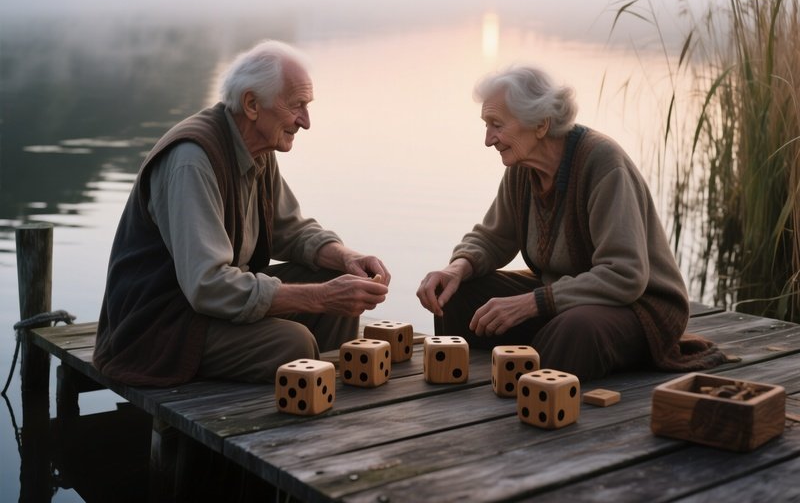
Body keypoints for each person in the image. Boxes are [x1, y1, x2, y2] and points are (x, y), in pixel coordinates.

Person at [93, 39, 390, 386]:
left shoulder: (258, 148)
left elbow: (290, 231)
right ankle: (275, 421)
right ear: (251, 104)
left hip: (204, 311)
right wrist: (321, 297)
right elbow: (208, 286)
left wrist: (347, 259)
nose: (306, 121)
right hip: (161, 325)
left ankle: (319, 401)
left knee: (330, 280)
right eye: (297, 106)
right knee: (293, 344)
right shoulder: (191, 160)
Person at [416, 66, 728, 381]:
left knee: (574, 332)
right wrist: (455, 269)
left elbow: (625, 274)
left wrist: (532, 303)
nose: (488, 140)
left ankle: (541, 379)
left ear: (540, 125)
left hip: (639, 306)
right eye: (486, 125)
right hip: (565, 297)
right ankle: (528, 359)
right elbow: (493, 238)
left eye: (497, 125)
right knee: (455, 298)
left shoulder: (603, 163)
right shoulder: (523, 167)